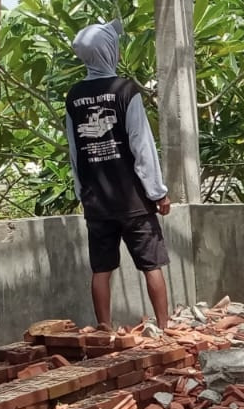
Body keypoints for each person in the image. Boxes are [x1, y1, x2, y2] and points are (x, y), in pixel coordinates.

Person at [64, 19, 171, 332]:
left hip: (96, 202)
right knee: (151, 265)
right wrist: (158, 192)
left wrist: (82, 193)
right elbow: (142, 146)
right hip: (133, 200)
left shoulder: (74, 97)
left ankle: (105, 329)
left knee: (101, 269)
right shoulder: (125, 91)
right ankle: (164, 329)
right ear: (108, 51)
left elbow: (74, 152)